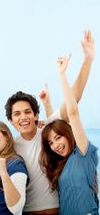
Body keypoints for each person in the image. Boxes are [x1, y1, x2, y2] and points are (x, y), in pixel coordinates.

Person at [4, 30, 95, 214]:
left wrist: (88, 61)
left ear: (36, 115)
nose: (24, 117)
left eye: (28, 112)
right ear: (11, 120)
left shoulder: (49, 133)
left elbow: (73, 101)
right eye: (17, 114)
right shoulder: (11, 147)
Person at [39, 53, 99, 215]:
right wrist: (47, 104)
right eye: (51, 143)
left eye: (58, 138)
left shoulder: (83, 153)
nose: (55, 145)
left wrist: (62, 75)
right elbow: (53, 127)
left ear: (68, 133)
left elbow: (72, 112)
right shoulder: (61, 164)